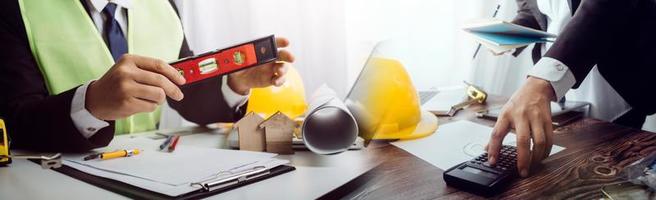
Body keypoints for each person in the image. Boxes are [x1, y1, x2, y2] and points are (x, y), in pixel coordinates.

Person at [0, 0, 294, 152]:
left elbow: (184, 93)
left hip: (152, 173)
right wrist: (90, 104)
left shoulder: (164, 5)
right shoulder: (15, 7)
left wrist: (234, 84)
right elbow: (16, 120)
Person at [486, 0, 656, 177]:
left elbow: (607, 6)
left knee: (607, 171)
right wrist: (513, 30)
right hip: (558, 81)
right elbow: (535, 9)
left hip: (616, 82)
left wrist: (540, 82)